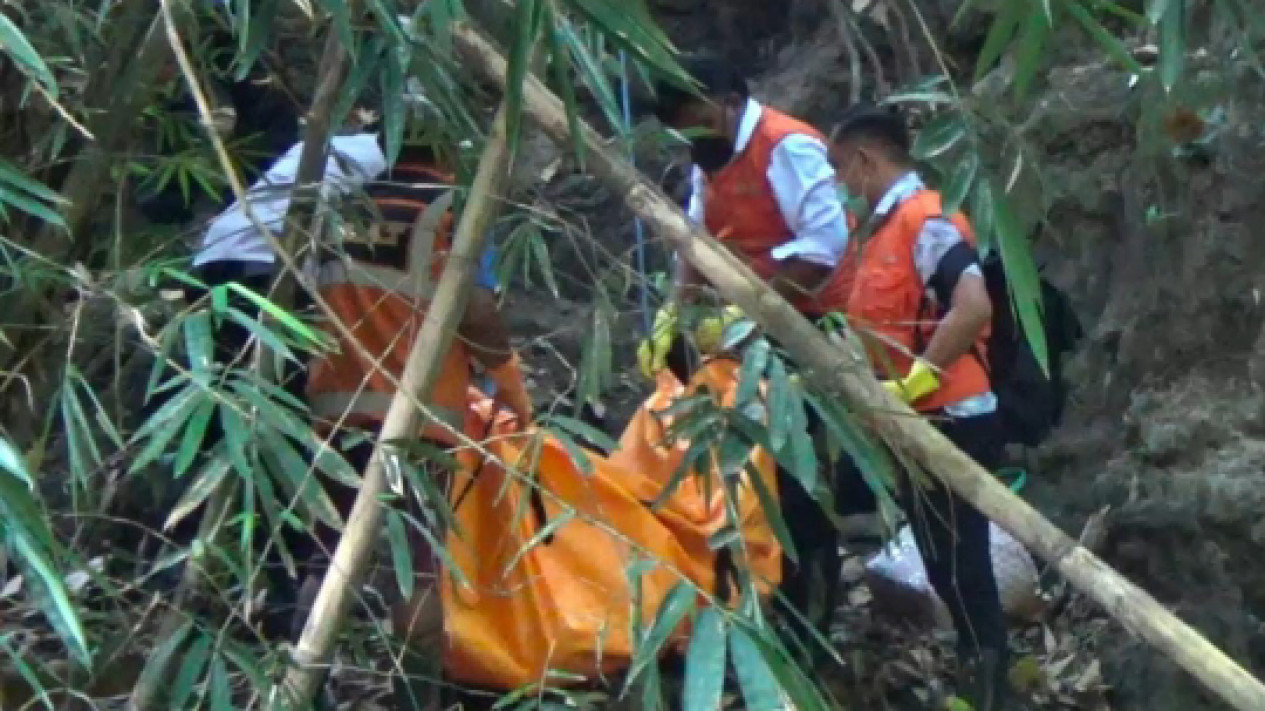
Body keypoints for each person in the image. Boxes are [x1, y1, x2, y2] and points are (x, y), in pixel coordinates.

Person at [303, 131, 531, 711]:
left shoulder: (343, 207)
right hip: (415, 418)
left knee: (324, 553)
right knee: (417, 570)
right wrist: (506, 378)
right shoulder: (455, 211)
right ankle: (415, 701)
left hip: (334, 410)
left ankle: (299, 686)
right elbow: (476, 312)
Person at [641, 55, 858, 636]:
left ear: (729, 101)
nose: (691, 138)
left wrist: (750, 310)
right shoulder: (708, 158)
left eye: (696, 121)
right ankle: (757, 597)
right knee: (742, 473)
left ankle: (810, 618)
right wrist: (674, 311)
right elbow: (696, 237)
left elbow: (824, 244)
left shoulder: (786, 147)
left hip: (808, 331)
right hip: (747, 337)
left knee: (797, 481)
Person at [829, 103, 1010, 710]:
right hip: (914, 422)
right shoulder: (882, 229)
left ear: (864, 161)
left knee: (963, 565)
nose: (839, 185)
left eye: (840, 170)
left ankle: (990, 689)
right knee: (941, 563)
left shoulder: (926, 218)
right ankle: (973, 676)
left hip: (952, 419)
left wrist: (918, 379)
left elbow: (972, 305)